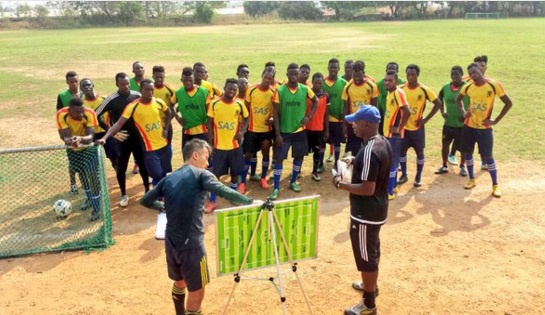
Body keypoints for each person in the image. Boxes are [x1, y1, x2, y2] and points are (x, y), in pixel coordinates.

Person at [140, 139, 253, 315]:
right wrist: (250, 201)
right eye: (206, 157)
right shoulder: (202, 175)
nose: (207, 163)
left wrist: (163, 207)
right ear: (195, 155)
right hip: (192, 246)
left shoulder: (169, 178)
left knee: (179, 282)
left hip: (171, 242)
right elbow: (223, 191)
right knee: (197, 292)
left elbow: (145, 200)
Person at [332, 105, 392, 315]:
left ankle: (368, 304)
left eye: (356, 122)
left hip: (366, 212)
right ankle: (370, 286)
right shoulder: (382, 142)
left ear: (366, 124)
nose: (352, 125)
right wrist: (354, 161)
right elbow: (376, 169)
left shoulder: (369, 151)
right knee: (371, 250)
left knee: (366, 257)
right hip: (377, 209)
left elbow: (367, 188)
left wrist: (340, 183)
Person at [96, 79, 173, 187]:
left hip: (164, 144)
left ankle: (163, 197)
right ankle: (158, 194)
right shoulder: (133, 106)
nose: (150, 92)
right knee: (157, 174)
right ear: (141, 90)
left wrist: (166, 129)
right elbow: (117, 124)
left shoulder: (158, 102)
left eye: (152, 90)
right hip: (149, 147)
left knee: (167, 172)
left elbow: (169, 113)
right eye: (147, 90)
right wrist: (105, 137)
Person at [456, 63, 512, 198]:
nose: (473, 75)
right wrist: (464, 112)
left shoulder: (493, 85)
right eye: (470, 74)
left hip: (484, 128)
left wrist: (496, 120)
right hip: (469, 126)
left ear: (481, 70)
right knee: (468, 153)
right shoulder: (468, 86)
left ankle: (495, 184)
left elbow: (508, 103)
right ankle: (471, 179)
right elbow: (458, 99)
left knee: (488, 156)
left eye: (475, 72)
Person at [94, 72, 150, 207]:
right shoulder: (111, 99)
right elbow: (94, 115)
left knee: (143, 165)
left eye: (127, 83)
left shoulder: (136, 96)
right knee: (121, 168)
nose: (125, 86)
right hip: (121, 139)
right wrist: (111, 131)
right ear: (117, 84)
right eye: (122, 84)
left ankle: (147, 191)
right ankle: (124, 194)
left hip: (137, 137)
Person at [270, 63, 318, 200]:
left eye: (296, 74)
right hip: (284, 132)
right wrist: (277, 134)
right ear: (287, 75)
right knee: (279, 158)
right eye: (291, 74)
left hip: (300, 131)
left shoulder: (305, 89)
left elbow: (316, 101)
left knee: (299, 157)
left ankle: (293, 182)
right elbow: (276, 114)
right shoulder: (279, 91)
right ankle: (276, 187)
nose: (294, 76)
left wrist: (309, 116)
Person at [205, 78, 249, 212]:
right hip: (219, 147)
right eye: (229, 88)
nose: (231, 91)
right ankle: (212, 201)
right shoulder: (214, 104)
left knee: (235, 173)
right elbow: (210, 124)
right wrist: (211, 143)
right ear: (224, 88)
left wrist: (242, 131)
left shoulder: (239, 104)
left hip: (235, 147)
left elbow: (247, 117)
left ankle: (233, 195)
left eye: (234, 90)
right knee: (216, 175)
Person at [56, 97, 101, 221]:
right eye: (77, 112)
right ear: (70, 110)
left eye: (82, 111)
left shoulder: (89, 113)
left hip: (88, 148)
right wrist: (70, 140)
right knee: (80, 172)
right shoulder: (61, 114)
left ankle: (97, 207)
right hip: (73, 150)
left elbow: (90, 136)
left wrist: (80, 139)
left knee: (92, 175)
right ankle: (89, 199)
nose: (81, 114)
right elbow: (63, 136)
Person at [397, 64, 442, 187]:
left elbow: (438, 103)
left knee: (420, 153)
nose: (410, 77)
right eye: (408, 74)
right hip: (404, 128)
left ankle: (418, 176)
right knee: (402, 152)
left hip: (417, 128)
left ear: (418, 75)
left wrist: (426, 119)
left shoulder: (424, 90)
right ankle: (404, 174)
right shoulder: (400, 89)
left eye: (413, 74)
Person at [239, 70, 275, 192]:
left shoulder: (273, 93)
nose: (267, 80)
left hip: (266, 130)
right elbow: (246, 110)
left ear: (272, 80)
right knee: (248, 154)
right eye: (265, 77)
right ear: (262, 76)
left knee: (265, 152)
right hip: (252, 129)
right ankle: (242, 182)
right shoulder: (251, 90)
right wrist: (243, 128)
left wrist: (272, 118)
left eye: (270, 79)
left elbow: (276, 110)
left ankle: (263, 178)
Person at [435, 66, 469, 176]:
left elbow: (474, 101)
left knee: (463, 147)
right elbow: (439, 98)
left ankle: (463, 166)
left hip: (462, 124)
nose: (454, 77)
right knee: (445, 144)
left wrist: (466, 115)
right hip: (448, 123)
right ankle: (444, 165)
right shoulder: (445, 87)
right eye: (452, 74)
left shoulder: (467, 87)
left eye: (457, 74)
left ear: (462, 75)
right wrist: (442, 111)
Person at [383, 70, 411, 200]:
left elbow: (407, 111)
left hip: (394, 135)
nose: (387, 82)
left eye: (390, 80)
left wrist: (399, 128)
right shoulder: (390, 93)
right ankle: (393, 186)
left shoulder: (398, 93)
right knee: (391, 161)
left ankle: (389, 192)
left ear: (396, 81)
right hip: (388, 133)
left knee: (392, 163)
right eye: (386, 80)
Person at [80, 78, 118, 170]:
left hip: (106, 132)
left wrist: (113, 129)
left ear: (93, 86)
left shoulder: (104, 99)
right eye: (84, 86)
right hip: (91, 134)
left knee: (114, 156)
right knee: (94, 159)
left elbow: (112, 114)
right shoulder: (81, 104)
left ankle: (117, 170)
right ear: (81, 89)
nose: (87, 87)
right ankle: (97, 179)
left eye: (88, 85)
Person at [342, 62, 379, 157]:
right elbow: (345, 107)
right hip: (354, 123)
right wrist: (345, 124)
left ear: (364, 73)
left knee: (368, 146)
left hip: (368, 123)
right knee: (355, 148)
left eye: (359, 76)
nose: (357, 78)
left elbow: (375, 106)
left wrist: (376, 123)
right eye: (354, 76)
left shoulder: (372, 86)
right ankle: (357, 166)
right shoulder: (348, 87)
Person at [170, 67, 211, 149]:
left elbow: (209, 110)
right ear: (181, 80)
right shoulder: (178, 93)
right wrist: (178, 118)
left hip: (202, 130)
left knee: (202, 156)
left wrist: (209, 128)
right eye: (185, 81)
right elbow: (171, 105)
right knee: (187, 156)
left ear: (194, 79)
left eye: (190, 80)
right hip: (187, 130)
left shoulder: (204, 92)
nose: (188, 83)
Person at [57, 71, 81, 194]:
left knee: (86, 160)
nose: (74, 84)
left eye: (76, 81)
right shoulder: (62, 96)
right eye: (71, 82)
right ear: (67, 82)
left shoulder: (83, 94)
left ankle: (86, 182)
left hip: (83, 133)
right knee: (73, 161)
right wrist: (65, 136)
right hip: (70, 134)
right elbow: (59, 115)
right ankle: (73, 183)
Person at [322, 58, 348, 167]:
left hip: (338, 118)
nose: (333, 69)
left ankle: (336, 162)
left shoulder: (344, 83)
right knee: (323, 141)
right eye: (331, 67)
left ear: (339, 69)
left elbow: (346, 101)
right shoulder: (322, 83)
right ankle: (320, 164)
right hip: (325, 119)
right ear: (328, 68)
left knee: (337, 142)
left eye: (335, 67)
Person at [306, 72, 329, 181]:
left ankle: (315, 172)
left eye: (320, 83)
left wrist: (326, 130)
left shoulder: (325, 96)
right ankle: (297, 171)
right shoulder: (306, 93)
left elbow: (326, 114)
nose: (317, 85)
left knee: (317, 151)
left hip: (319, 129)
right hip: (306, 128)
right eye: (315, 83)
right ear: (312, 82)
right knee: (301, 152)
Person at [129, 61, 149, 174]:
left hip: (146, 116)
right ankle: (137, 162)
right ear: (133, 70)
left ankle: (146, 161)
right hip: (133, 117)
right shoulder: (129, 82)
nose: (139, 70)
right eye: (137, 68)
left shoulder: (148, 82)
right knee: (135, 141)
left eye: (141, 68)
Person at [376, 62, 405, 136]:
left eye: (394, 69)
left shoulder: (402, 84)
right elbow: (378, 99)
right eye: (389, 69)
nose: (387, 82)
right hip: (384, 113)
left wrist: (400, 127)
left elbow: (406, 109)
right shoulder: (380, 83)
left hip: (396, 116)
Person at [152, 65, 176, 153]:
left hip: (166, 124)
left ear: (164, 77)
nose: (159, 79)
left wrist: (173, 115)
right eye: (157, 77)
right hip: (153, 125)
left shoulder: (170, 89)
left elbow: (179, 102)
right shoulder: (149, 89)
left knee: (167, 147)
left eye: (161, 77)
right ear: (153, 77)